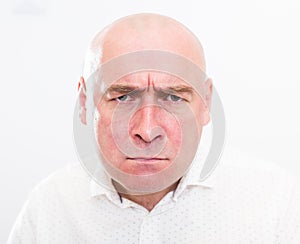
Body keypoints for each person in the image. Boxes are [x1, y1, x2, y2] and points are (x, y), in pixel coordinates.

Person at [7, 13, 300, 244]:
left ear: (206, 102)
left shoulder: (275, 203)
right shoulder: (49, 207)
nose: (147, 131)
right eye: (123, 97)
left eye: (173, 97)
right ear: (84, 103)